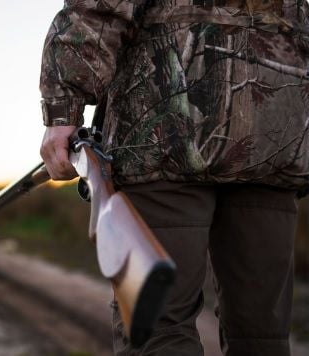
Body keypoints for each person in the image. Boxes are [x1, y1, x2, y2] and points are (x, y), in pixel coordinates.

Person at [38, 1, 309, 355]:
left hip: (165, 135)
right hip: (275, 135)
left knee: (156, 327)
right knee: (262, 337)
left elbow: (100, 8)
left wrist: (63, 111)